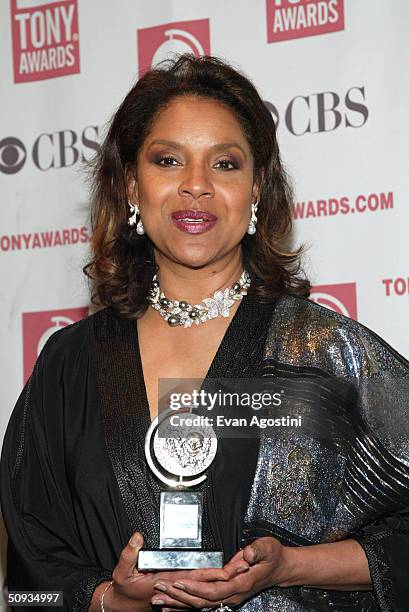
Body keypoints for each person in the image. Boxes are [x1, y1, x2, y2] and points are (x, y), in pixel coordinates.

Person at [1, 53, 409, 612]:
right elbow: (28, 589)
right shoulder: (70, 365)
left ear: (257, 188)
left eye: (225, 164)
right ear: (130, 186)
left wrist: (291, 565)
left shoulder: (325, 352)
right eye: (168, 160)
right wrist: (108, 600)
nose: (196, 186)